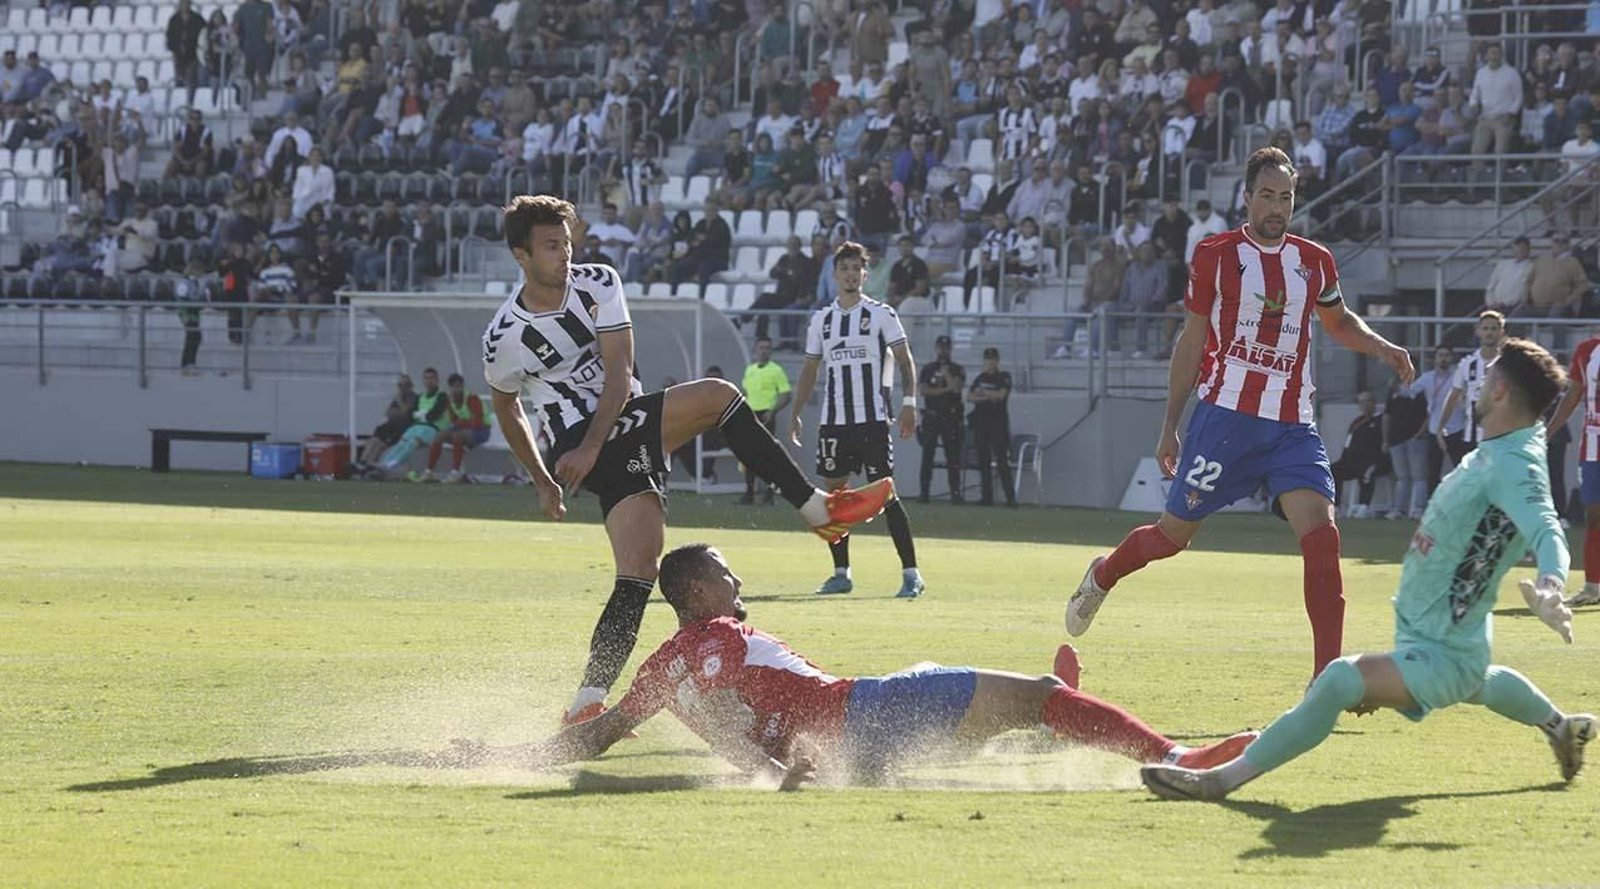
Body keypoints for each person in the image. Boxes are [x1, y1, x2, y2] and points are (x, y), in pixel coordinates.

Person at [482, 196, 896, 728]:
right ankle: (817, 509)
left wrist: (588, 451)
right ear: (521, 255)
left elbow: (619, 370)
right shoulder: (504, 335)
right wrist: (544, 478)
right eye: (550, 246)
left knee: (637, 573)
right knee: (717, 398)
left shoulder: (598, 282)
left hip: (619, 424)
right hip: (580, 441)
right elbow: (505, 405)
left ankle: (587, 699)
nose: (564, 254)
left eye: (566, 242)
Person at [1141, 339, 1596, 801]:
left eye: (1486, 377)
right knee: (1479, 682)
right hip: (1450, 638)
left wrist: (1551, 584)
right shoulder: (1508, 447)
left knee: (1338, 680)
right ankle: (1561, 727)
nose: (1476, 386)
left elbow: (1546, 529)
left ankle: (1219, 780)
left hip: (1444, 653)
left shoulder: (1516, 464)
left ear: (1498, 391)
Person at [467, 543, 1257, 787]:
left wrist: (514, 756)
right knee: (1038, 694)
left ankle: (1054, 724)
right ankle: (1174, 757)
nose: (741, 583)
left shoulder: (662, 670)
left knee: (969, 705)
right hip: (862, 712)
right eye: (730, 573)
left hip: (846, 759)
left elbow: (599, 737)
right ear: (701, 590)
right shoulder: (732, 635)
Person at [1067, 147, 1416, 681]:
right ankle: (1103, 574)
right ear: (1247, 198)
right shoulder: (1215, 255)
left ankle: (1327, 682)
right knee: (1170, 538)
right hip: (1223, 421)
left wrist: (1383, 346)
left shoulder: (1314, 260)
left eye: (1287, 197)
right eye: (1268, 196)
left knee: (1323, 538)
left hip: (1293, 425)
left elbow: (1339, 323)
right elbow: (1191, 342)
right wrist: (1170, 425)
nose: (1277, 207)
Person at [789, 241, 924, 599]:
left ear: (865, 274)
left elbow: (905, 359)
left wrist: (910, 401)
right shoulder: (822, 319)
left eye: (856, 268)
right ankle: (840, 573)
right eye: (844, 268)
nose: (850, 274)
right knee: (834, 498)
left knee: (886, 494)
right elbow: (809, 368)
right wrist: (797, 411)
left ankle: (911, 574)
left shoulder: (881, 313)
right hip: (834, 422)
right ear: (835, 275)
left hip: (872, 420)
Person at [1545, 327, 1600, 606]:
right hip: (1592, 447)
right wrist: (1548, 431)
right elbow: (1572, 396)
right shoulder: (1586, 351)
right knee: (1593, 516)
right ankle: (1593, 587)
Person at [1438, 310, 1505, 465]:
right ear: (1478, 331)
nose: (1489, 333)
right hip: (1472, 437)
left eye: (1494, 329)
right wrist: (1441, 427)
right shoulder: (1467, 364)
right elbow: (1454, 395)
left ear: (1501, 332)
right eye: (1486, 328)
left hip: (1501, 436)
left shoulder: (1508, 363)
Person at [739, 337, 793, 505]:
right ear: (756, 350)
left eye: (768, 348)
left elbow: (786, 394)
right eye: (761, 347)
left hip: (765, 415)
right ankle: (749, 493)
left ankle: (769, 494)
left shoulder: (776, 370)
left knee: (767, 455)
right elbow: (746, 392)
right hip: (750, 414)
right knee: (748, 454)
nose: (764, 351)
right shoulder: (750, 369)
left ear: (771, 351)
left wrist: (773, 411)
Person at [412, 373, 491, 483]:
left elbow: (478, 423)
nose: (456, 389)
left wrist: (461, 423)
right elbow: (454, 420)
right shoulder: (450, 400)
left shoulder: (472, 398)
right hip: (465, 430)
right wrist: (462, 424)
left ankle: (456, 472)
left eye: (459, 386)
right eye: (454, 386)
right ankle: (429, 471)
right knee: (440, 435)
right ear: (450, 388)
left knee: (457, 436)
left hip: (482, 431)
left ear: (463, 387)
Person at [917, 335, 965, 503]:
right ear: (936, 348)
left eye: (946, 347)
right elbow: (923, 390)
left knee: (953, 457)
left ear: (950, 349)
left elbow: (957, 388)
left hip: (950, 418)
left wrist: (946, 375)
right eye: (940, 347)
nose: (943, 351)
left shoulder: (957, 369)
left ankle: (955, 494)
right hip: (932, 417)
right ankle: (924, 493)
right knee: (927, 456)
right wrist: (945, 389)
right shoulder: (928, 368)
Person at [968, 347, 1016, 507]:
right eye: (987, 359)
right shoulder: (981, 377)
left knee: (1002, 460)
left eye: (993, 359)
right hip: (981, 422)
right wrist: (989, 396)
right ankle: (986, 498)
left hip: (998, 423)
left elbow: (1001, 395)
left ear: (997, 360)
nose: (990, 362)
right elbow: (969, 397)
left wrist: (984, 393)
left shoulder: (1003, 377)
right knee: (983, 461)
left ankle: (1010, 499)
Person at [1383, 368, 1431, 520]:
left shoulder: (1421, 389)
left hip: (1416, 438)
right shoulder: (1393, 392)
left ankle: (1418, 508)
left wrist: (1421, 432)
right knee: (1402, 476)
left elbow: (1431, 412)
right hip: (1396, 439)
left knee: (1419, 476)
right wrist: (1385, 439)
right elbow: (1387, 416)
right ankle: (1399, 510)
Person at [1330, 391, 1387, 518]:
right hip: (1353, 463)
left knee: (1366, 472)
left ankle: (1363, 506)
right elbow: (1347, 443)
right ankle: (1336, 506)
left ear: (1373, 403)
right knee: (1332, 470)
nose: (1364, 405)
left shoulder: (1381, 420)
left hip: (1374, 462)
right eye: (1361, 402)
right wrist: (1343, 460)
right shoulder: (1357, 422)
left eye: (1367, 401)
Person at [351, 375, 419, 474]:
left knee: (380, 443)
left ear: (411, 386)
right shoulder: (398, 399)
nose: (402, 388)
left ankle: (368, 466)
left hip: (402, 430)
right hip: (390, 426)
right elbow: (388, 413)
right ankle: (362, 462)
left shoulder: (414, 398)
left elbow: (406, 413)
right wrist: (398, 412)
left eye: (405, 385)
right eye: (400, 385)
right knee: (374, 439)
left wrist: (398, 404)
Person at [1483, 237, 1533, 315]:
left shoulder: (1531, 267)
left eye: (1523, 246)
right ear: (1514, 248)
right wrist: (1490, 302)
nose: (1521, 249)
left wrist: (1505, 303)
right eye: (1518, 246)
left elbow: (1522, 290)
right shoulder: (1502, 264)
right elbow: (1491, 285)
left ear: (1528, 249)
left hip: (1512, 307)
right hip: (1493, 306)